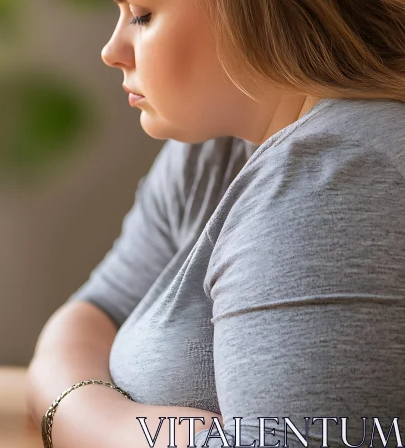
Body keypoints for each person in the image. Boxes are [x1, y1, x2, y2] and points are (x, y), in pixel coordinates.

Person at [26, 0, 405, 447]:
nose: (111, 50)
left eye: (143, 15)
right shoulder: (217, 151)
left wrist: (76, 413)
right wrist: (81, 410)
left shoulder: (334, 178)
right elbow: (98, 308)